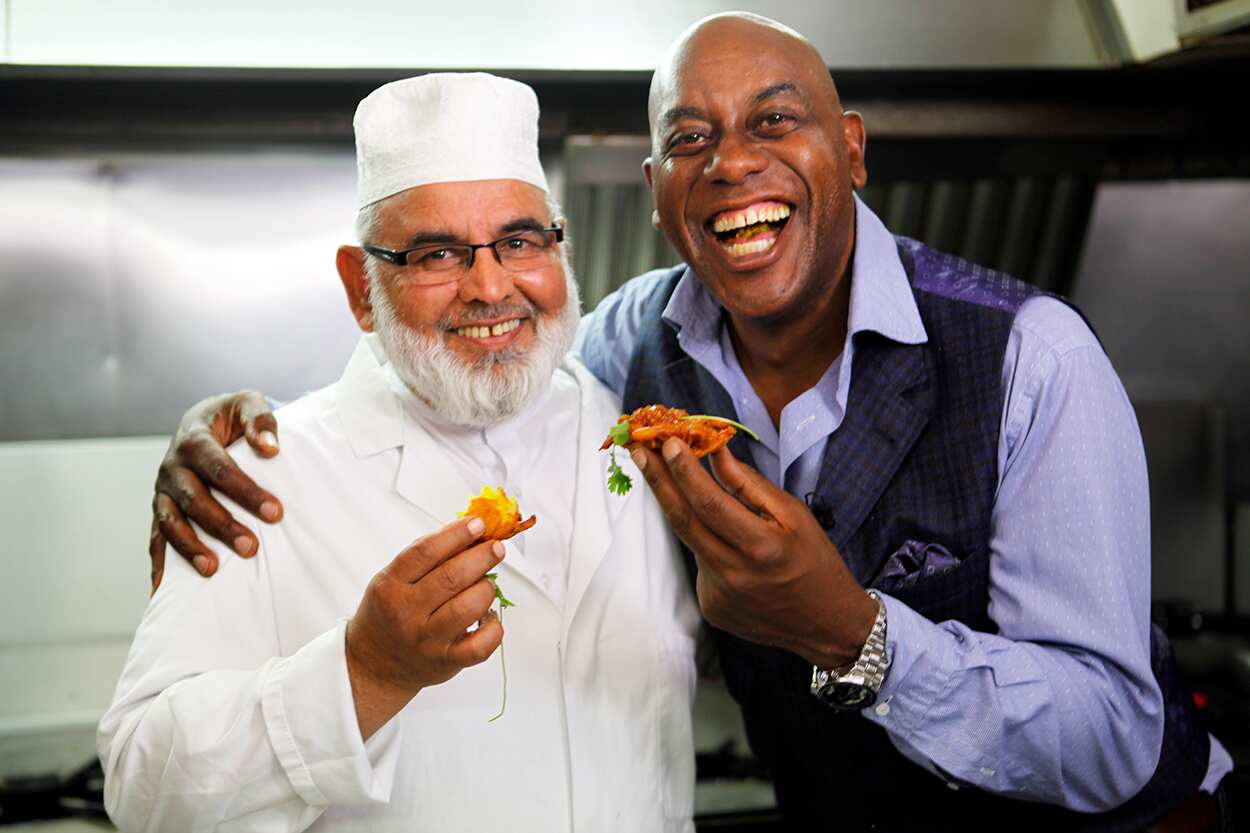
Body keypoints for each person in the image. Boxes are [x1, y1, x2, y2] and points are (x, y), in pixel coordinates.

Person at [147, 14, 1238, 832]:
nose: (490, 287)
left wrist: (851, 631)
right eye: (690, 137)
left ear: (850, 151)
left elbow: (1115, 734)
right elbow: (451, 373)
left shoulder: (1031, 357)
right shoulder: (622, 356)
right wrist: (229, 424)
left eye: (775, 120)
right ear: (660, 191)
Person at [98, 72, 700, 833]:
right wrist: (362, 674)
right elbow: (143, 789)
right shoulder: (262, 477)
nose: (490, 287)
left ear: (561, 249)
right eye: (437, 253)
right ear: (360, 289)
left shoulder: (645, 434)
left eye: (519, 240)